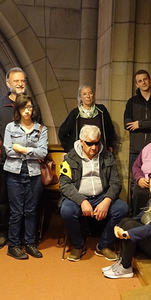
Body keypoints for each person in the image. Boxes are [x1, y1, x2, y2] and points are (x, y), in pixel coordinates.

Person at [60, 125, 128, 262]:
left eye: (97, 143)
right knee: (66, 211)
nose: (94, 147)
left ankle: (103, 245)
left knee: (122, 209)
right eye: (89, 143)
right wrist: (82, 201)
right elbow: (64, 184)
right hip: (78, 197)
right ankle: (78, 245)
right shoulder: (70, 157)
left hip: (101, 197)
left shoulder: (107, 156)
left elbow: (116, 182)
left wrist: (107, 200)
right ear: (81, 142)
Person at [102, 172, 151, 279]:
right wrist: (119, 226)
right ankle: (122, 262)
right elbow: (138, 218)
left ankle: (125, 267)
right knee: (127, 222)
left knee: (130, 227)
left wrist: (126, 233)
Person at [4, 94, 48, 260]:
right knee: (16, 211)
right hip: (14, 172)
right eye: (24, 107)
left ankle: (30, 243)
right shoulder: (10, 127)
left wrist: (22, 149)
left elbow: (42, 153)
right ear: (18, 109)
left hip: (34, 173)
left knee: (31, 210)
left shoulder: (41, 129)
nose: (27, 111)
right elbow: (8, 150)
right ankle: (13, 245)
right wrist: (32, 151)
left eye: (29, 107)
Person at [123, 70, 151, 192]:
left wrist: (140, 124)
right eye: (140, 81)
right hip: (136, 149)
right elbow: (127, 125)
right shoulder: (132, 102)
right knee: (136, 182)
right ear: (136, 85)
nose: (143, 82)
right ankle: (134, 211)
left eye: (145, 79)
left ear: (149, 80)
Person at [0, 67, 27, 249]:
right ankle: (3, 233)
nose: (19, 84)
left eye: (22, 81)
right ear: (8, 83)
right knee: (3, 200)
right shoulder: (1, 105)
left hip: (26, 161)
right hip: (5, 161)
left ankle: (21, 235)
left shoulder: (30, 104)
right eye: (16, 81)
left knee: (24, 201)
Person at [58, 85, 117, 153]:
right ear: (80, 97)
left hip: (100, 152)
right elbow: (62, 133)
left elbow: (109, 129)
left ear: (93, 95)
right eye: (84, 94)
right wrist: (71, 149)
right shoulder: (75, 114)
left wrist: (110, 145)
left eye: (90, 93)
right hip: (82, 153)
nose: (88, 96)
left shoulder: (102, 111)